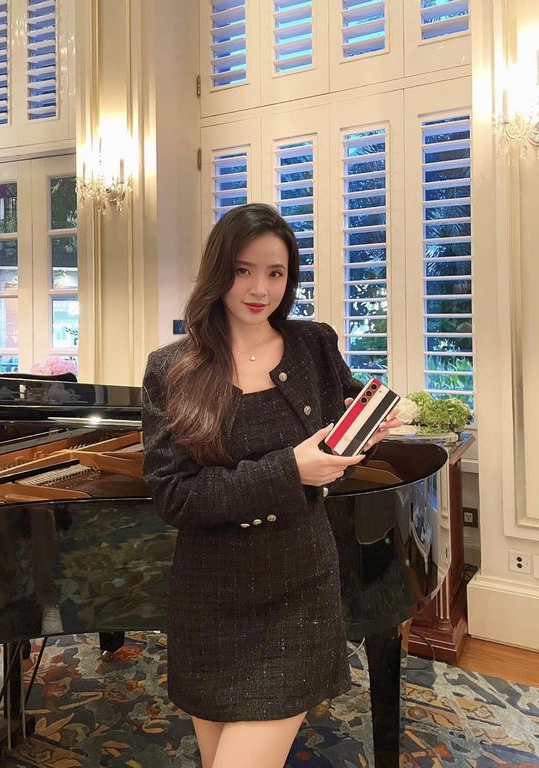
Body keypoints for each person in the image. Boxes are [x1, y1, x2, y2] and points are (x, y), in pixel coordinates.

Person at [142, 203, 400, 768]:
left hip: (297, 592)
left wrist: (368, 432)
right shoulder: (173, 368)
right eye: (243, 270)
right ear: (218, 271)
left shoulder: (313, 346)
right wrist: (290, 470)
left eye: (275, 273)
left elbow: (339, 440)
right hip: (210, 599)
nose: (260, 288)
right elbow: (175, 496)